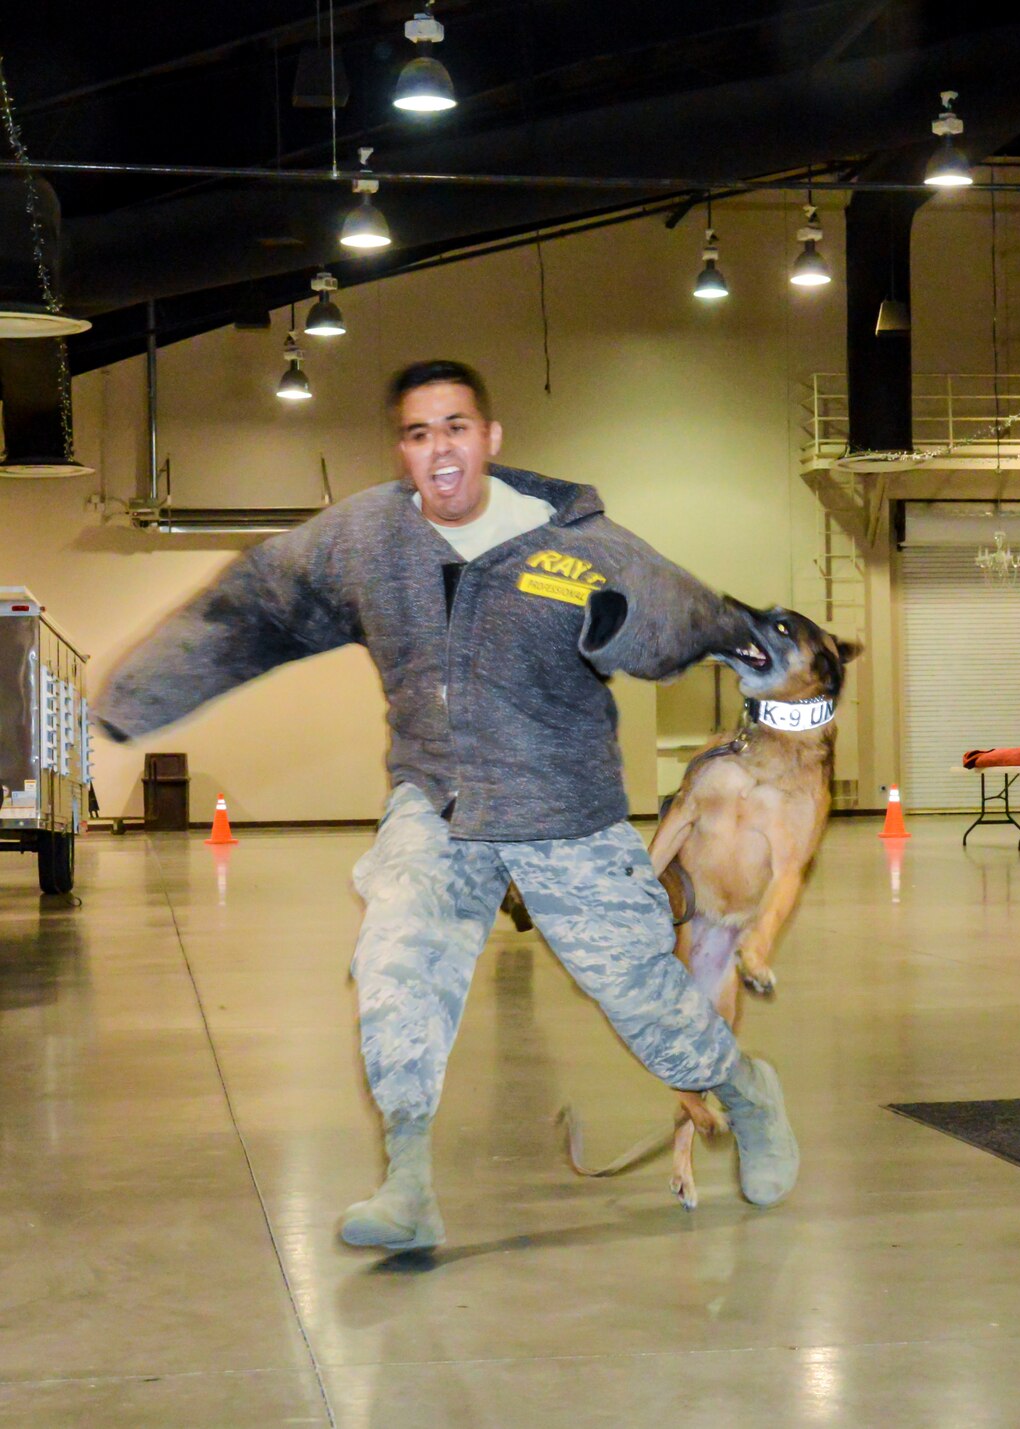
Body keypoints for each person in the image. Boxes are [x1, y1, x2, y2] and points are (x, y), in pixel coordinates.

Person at [93, 359, 798, 1252]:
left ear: (490, 438)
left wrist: (713, 637)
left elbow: (681, 610)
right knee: (399, 966)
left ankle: (745, 1092)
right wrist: (134, 699)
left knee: (641, 996)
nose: (440, 449)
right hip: (436, 800)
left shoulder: (573, 541)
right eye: (420, 433)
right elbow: (256, 603)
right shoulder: (366, 539)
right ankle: (410, 1183)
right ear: (404, 449)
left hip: (563, 808)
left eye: (456, 427)